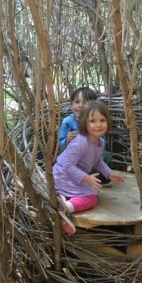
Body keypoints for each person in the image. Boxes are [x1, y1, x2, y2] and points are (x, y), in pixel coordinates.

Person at [53, 100, 125, 235]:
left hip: (73, 175)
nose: (98, 125)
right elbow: (67, 165)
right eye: (92, 121)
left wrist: (109, 173)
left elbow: (97, 161)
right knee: (92, 198)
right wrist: (86, 178)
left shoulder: (100, 142)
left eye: (102, 120)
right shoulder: (80, 143)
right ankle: (65, 208)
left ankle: (63, 199)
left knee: (94, 192)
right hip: (63, 175)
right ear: (84, 124)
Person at [59, 86, 97, 150]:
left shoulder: (96, 122)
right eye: (77, 102)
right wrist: (67, 140)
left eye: (85, 103)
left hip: (91, 154)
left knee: (106, 155)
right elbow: (60, 145)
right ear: (71, 106)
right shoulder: (67, 122)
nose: (80, 106)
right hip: (72, 154)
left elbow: (102, 144)